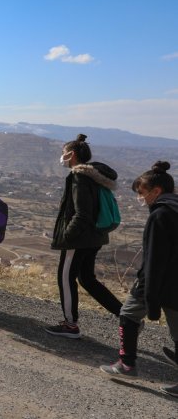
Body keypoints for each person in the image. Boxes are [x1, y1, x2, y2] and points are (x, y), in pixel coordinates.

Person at [99, 161, 178, 393]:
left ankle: (126, 364)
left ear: (156, 191)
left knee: (129, 314)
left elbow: (154, 259)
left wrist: (150, 296)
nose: (140, 199)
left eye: (141, 193)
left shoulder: (160, 216)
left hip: (156, 282)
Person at [45, 134, 122, 338]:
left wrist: (68, 236)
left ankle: (70, 325)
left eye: (64, 154)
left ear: (72, 155)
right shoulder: (95, 176)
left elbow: (82, 213)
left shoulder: (79, 176)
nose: (62, 157)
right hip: (95, 237)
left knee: (65, 277)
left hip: (79, 239)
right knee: (87, 279)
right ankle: (126, 317)